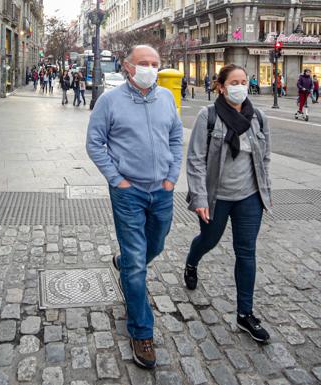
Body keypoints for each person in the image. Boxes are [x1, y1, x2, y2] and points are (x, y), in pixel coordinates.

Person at [86, 45, 183, 369]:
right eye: (144, 63)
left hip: (162, 190)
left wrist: (171, 177)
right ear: (128, 67)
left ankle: (125, 262)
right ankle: (142, 332)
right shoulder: (110, 101)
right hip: (128, 192)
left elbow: (175, 137)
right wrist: (116, 179)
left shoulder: (167, 99)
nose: (151, 69)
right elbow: (94, 142)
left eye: (156, 63)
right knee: (138, 266)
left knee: (155, 244)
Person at [184, 63, 271, 343]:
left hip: (249, 198)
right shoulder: (208, 116)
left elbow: (264, 156)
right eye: (234, 82)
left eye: (244, 81)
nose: (240, 87)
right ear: (221, 87)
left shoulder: (257, 117)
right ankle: (192, 262)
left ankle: (245, 314)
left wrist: (262, 190)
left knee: (246, 252)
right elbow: (196, 160)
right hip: (215, 197)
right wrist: (199, 198)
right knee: (209, 240)